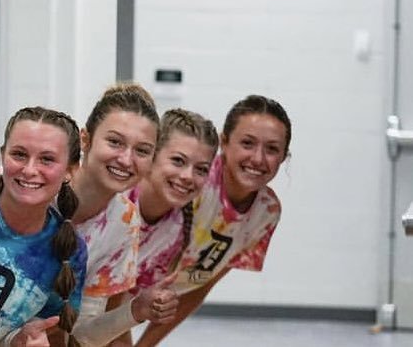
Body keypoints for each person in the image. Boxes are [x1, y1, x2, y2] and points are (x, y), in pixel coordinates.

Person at [136, 95, 290, 346]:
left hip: (138, 305)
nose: (258, 158)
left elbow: (199, 284)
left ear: (284, 156)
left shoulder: (267, 212)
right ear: (225, 143)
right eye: (247, 143)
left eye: (272, 148)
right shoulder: (188, 184)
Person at [73, 109, 217, 346]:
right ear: (151, 157)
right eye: (178, 161)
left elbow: (118, 311)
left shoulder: (176, 230)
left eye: (201, 169)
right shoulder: (114, 201)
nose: (188, 176)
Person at [0, 106, 88, 347]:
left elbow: (51, 330)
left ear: (70, 171)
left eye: (47, 159)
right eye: (19, 154)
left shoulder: (69, 251)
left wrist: (18, 340)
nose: (29, 170)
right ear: (2, 155)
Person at [65, 83, 158, 345]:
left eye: (142, 150)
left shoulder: (124, 222)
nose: (126, 160)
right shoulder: (35, 180)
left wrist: (135, 312)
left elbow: (83, 334)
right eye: (115, 142)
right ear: (85, 139)